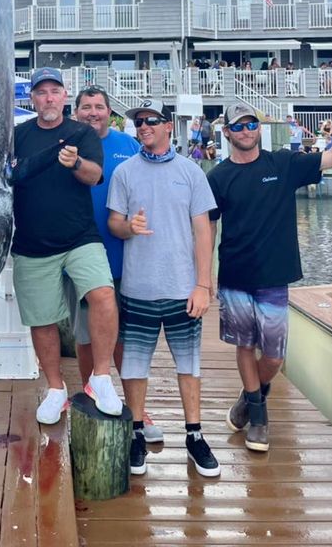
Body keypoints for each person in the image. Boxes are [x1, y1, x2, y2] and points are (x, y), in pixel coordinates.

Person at [208, 102, 332, 455]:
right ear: (228, 132)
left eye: (251, 124)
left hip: (275, 276)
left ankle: (250, 398)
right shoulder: (217, 177)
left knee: (275, 357)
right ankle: (259, 417)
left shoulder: (283, 163)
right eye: (239, 126)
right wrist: (205, 276)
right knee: (244, 345)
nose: (246, 131)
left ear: (258, 129)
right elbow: (207, 226)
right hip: (234, 274)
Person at [108, 100, 220, 478]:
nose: (142, 127)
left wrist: (203, 284)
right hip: (138, 288)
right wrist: (128, 228)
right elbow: (114, 223)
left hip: (182, 289)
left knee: (189, 365)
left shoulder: (191, 171)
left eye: (150, 121)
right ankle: (136, 432)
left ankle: (194, 435)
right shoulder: (124, 172)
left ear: (169, 126)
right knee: (134, 366)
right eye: (138, 122)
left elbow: (203, 231)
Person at [10, 67, 122, 425]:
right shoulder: (16, 135)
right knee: (41, 319)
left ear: (63, 97)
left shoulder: (79, 132)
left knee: (103, 295)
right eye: (41, 92)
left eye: (54, 91)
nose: (48, 98)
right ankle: (55, 388)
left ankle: (100, 379)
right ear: (33, 98)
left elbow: (94, 175)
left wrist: (75, 163)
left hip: (79, 238)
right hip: (31, 242)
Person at [71, 86, 164, 443]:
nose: (92, 112)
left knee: (127, 339)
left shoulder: (129, 145)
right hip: (80, 254)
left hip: (128, 255)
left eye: (99, 107)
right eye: (86, 107)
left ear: (110, 112)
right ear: (75, 111)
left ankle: (138, 411)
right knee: (85, 337)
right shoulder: (67, 143)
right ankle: (91, 397)